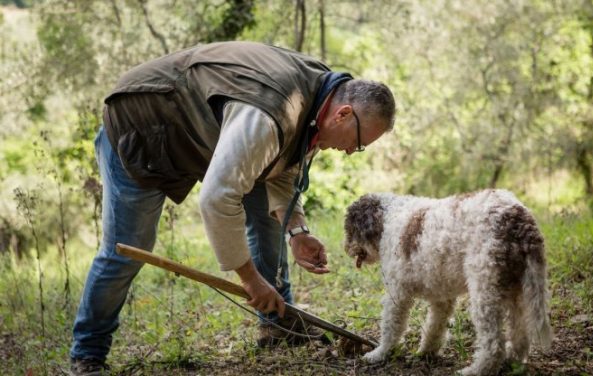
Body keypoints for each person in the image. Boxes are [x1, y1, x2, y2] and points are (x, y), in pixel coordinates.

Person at [69, 41, 395, 375]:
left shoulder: (321, 99)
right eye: (357, 144)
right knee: (126, 249)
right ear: (343, 114)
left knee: (269, 218)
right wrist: (250, 280)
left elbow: (283, 169)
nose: (350, 152)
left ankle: (277, 325)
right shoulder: (269, 113)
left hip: (202, 134)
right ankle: (87, 355)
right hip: (141, 125)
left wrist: (297, 230)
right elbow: (216, 199)